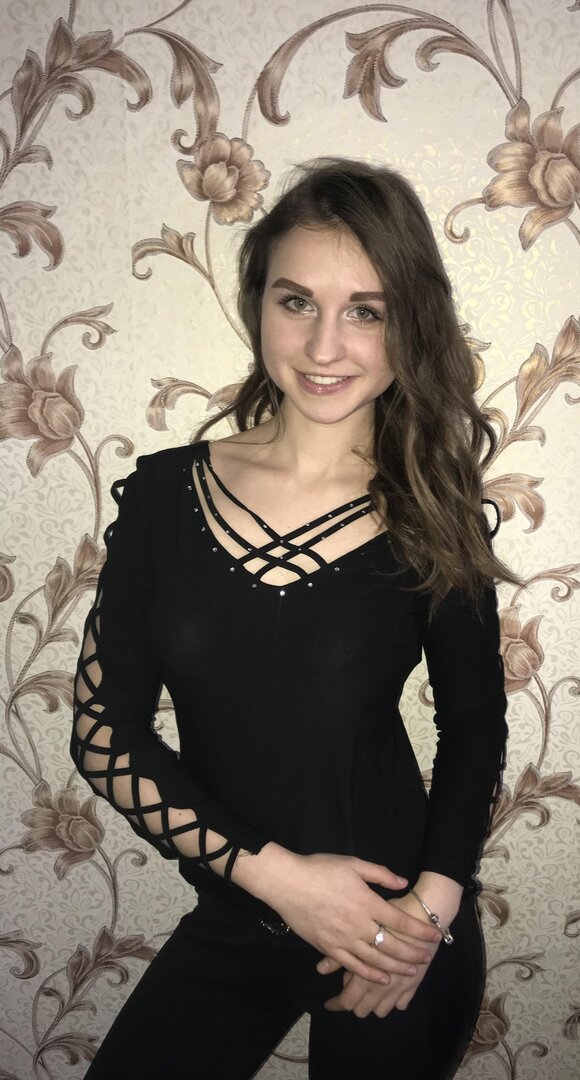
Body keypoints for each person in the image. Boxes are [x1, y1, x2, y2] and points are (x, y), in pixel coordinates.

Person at [71, 157, 522, 1080]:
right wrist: (281, 881)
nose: (325, 345)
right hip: (239, 911)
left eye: (367, 311)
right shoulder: (163, 498)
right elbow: (103, 731)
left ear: (410, 323)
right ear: (258, 307)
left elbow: (475, 724)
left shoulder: (434, 509)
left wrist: (428, 916)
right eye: (297, 302)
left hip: (395, 922)